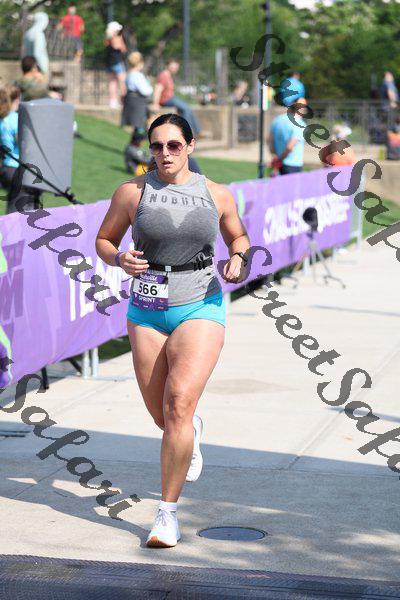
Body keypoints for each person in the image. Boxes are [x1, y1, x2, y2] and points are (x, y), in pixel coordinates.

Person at [95, 113, 250, 548]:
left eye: (174, 145)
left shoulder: (216, 193)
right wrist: (118, 258)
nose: (165, 154)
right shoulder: (133, 192)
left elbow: (238, 238)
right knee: (162, 416)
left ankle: (166, 514)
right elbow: (104, 240)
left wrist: (238, 259)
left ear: (191, 146)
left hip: (200, 302)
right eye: (157, 146)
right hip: (147, 308)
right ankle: (190, 430)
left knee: (178, 402)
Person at [153, 58, 201, 138]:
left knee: (187, 109)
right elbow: (158, 89)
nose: (175, 68)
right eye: (173, 66)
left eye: (176, 67)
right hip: (166, 100)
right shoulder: (163, 75)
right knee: (186, 108)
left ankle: (197, 131)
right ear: (167, 66)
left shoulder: (168, 76)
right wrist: (155, 103)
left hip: (171, 98)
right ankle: (190, 132)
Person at [268, 97, 307, 175]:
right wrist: (279, 159)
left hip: (278, 164)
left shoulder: (278, 120)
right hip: (293, 165)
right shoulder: (299, 123)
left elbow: (269, 140)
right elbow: (290, 147)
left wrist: (275, 157)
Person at [121, 51, 153, 131]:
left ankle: (135, 139)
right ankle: (137, 139)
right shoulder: (138, 75)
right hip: (138, 102)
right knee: (140, 126)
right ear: (140, 63)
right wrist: (149, 85)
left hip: (131, 100)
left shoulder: (129, 74)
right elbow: (145, 91)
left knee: (136, 126)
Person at [104, 21, 127, 109]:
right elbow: (122, 49)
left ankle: (113, 101)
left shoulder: (107, 39)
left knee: (112, 83)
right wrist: (121, 40)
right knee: (122, 82)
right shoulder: (117, 38)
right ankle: (124, 101)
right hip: (117, 62)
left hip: (109, 63)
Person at [23, 12, 49, 76]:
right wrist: (43, 70)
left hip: (28, 67)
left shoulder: (28, 33)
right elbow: (37, 54)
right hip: (38, 70)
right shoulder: (39, 34)